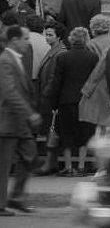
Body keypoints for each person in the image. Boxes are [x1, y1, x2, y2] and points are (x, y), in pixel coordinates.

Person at [0, 25, 42, 215]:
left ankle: (16, 197)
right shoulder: (5, 60)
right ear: (14, 40)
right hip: (8, 121)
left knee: (30, 156)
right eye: (25, 39)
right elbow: (10, 93)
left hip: (19, 122)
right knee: (4, 164)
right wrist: (30, 113)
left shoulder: (16, 60)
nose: (28, 42)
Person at [47, 26, 97, 176]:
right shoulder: (93, 57)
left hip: (66, 100)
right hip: (85, 100)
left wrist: (54, 103)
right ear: (86, 39)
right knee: (84, 134)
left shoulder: (62, 57)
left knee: (66, 135)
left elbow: (56, 82)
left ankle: (68, 166)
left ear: (71, 39)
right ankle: (81, 165)